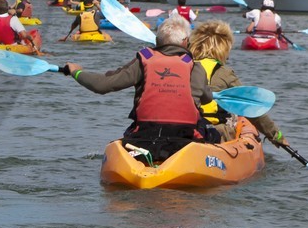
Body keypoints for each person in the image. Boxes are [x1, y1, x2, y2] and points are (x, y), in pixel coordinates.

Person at [58, 15, 220, 162]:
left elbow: (102, 85)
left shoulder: (143, 61)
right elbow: (207, 98)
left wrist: (76, 71)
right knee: (215, 134)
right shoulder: (195, 68)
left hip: (144, 137)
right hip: (185, 138)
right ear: (186, 43)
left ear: (157, 42)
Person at [188, 20, 293, 148]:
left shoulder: (183, 67)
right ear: (222, 47)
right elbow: (251, 109)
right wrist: (276, 135)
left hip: (187, 130)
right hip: (214, 132)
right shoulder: (224, 73)